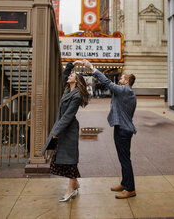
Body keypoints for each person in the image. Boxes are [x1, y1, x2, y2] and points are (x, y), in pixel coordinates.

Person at [83, 59, 137, 199]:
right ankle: (125, 183)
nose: (120, 79)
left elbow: (107, 83)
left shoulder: (126, 90)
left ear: (127, 82)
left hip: (124, 130)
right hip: (121, 128)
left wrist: (92, 68)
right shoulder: (124, 91)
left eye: (123, 78)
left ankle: (130, 189)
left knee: (125, 159)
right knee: (123, 158)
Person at [42, 61, 89, 202]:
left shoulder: (76, 95)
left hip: (69, 130)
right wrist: (72, 64)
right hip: (63, 128)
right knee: (64, 158)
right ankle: (75, 183)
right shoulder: (67, 89)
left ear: (77, 80)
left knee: (69, 159)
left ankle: (70, 189)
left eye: (72, 75)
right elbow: (64, 76)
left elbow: (68, 116)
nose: (69, 76)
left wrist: (55, 131)